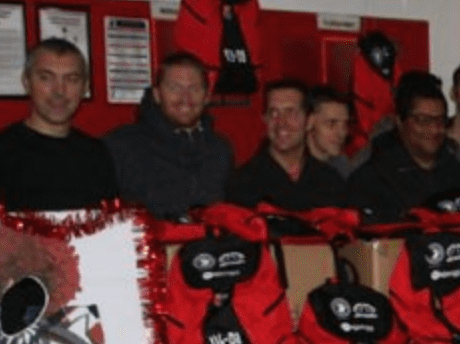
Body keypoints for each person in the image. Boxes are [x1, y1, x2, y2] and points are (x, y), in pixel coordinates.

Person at [0, 39, 118, 212]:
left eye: (71, 79)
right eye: (46, 78)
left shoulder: (97, 155)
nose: (59, 91)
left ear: (85, 87)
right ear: (27, 83)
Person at [107, 52, 233, 220]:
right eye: (174, 88)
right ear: (157, 94)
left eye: (194, 88)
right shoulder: (121, 147)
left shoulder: (221, 151)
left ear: (207, 96)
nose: (185, 98)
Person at [346, 74, 460, 223]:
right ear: (400, 122)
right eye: (423, 120)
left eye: (440, 120)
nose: (434, 129)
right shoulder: (369, 181)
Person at [227, 78, 344, 211]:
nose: (282, 123)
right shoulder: (243, 184)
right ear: (265, 119)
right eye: (274, 113)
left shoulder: (330, 182)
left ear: (309, 121)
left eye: (291, 113)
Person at [305, 88, 356, 177]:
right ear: (309, 122)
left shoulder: (344, 169)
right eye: (331, 123)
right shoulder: (293, 170)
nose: (342, 133)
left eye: (345, 124)